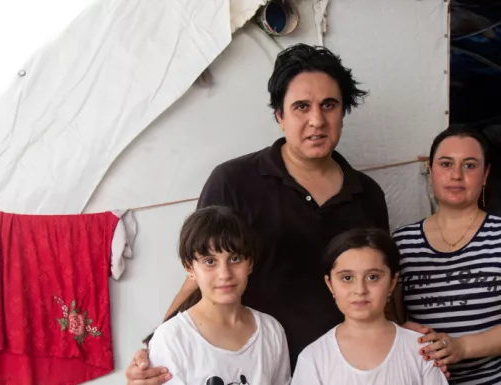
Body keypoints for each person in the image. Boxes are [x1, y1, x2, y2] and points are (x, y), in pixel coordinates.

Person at [126, 44, 390, 384]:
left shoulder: (367, 194)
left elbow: (384, 281)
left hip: (348, 373)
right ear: (279, 115)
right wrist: (155, 351)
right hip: (256, 369)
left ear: (343, 112)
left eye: (329, 105)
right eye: (301, 107)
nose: (316, 120)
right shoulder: (233, 182)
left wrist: (403, 340)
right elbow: (200, 272)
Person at [393, 125, 501, 384]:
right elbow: (391, 318)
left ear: (485, 174)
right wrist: (401, 332)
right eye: (445, 163)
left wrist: (462, 347)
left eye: (469, 165)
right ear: (430, 171)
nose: (456, 175)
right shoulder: (401, 243)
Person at [143, 206, 291, 384]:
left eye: (235, 259)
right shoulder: (170, 339)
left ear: (250, 263)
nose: (225, 274)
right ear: (190, 268)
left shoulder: (271, 330)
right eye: (210, 261)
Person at [292, 228, 448, 384]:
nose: (360, 290)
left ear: (392, 282)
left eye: (372, 277)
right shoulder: (313, 358)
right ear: (330, 284)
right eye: (347, 278)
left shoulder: (421, 350)